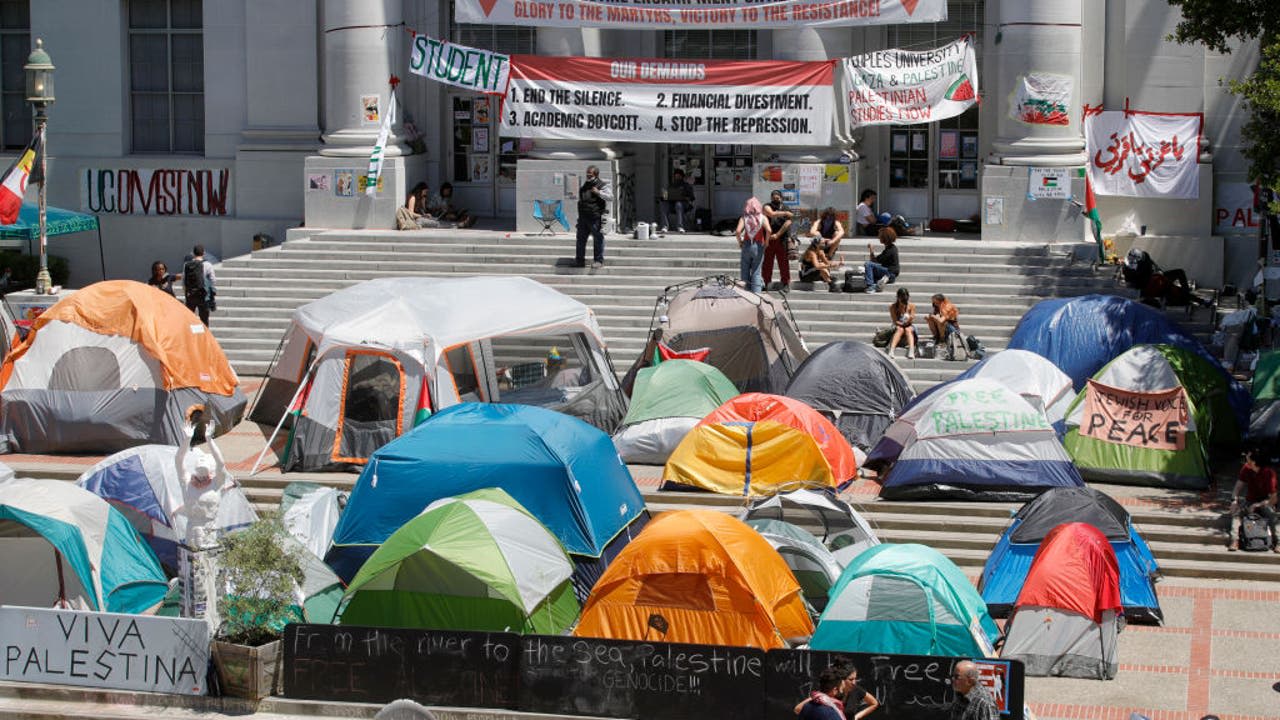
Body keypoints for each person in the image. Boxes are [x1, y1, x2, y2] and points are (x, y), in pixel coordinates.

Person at [174, 407, 231, 634]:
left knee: (211, 577)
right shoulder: (187, 482)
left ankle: (214, 622)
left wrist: (209, 440)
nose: (201, 476)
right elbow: (178, 461)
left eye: (204, 472)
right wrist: (186, 441)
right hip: (191, 532)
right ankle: (190, 620)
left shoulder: (217, 483)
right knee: (190, 578)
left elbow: (222, 462)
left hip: (210, 532)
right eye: (199, 472)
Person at [1228, 445, 1278, 552]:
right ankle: (1234, 540)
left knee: (1273, 516)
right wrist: (1234, 501)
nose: (1246, 458)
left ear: (1254, 462)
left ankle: (1278, 542)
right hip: (1250, 501)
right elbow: (1237, 488)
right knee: (1236, 514)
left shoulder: (1269, 473)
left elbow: (1274, 499)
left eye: (1248, 457)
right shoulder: (1246, 468)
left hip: (1265, 502)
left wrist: (1258, 505)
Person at [575, 165, 612, 269]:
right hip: (583, 217)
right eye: (587, 174)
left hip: (595, 217)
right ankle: (579, 260)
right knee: (580, 239)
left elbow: (610, 197)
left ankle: (598, 260)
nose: (588, 176)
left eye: (590, 174)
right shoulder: (585, 186)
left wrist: (598, 192)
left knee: (598, 239)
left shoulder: (602, 185)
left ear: (596, 175)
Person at [762, 190, 795, 291]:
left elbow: (789, 222)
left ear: (781, 198)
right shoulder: (767, 206)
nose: (776, 199)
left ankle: (785, 283)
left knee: (783, 263)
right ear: (771, 198)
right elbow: (770, 214)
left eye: (778, 198)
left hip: (781, 239)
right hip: (769, 239)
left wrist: (777, 234)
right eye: (774, 198)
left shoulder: (786, 207)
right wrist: (784, 213)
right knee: (767, 263)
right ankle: (766, 283)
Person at [735, 197, 770, 293]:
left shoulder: (744, 218)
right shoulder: (763, 217)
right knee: (756, 272)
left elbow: (738, 231)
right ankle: (756, 295)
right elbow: (769, 230)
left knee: (745, 271)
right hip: (758, 245)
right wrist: (766, 242)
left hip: (746, 245)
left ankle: (745, 294)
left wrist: (740, 242)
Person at [183, 244, 216, 326]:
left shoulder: (187, 265)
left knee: (189, 319)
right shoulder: (208, 264)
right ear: (203, 253)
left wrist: (186, 294)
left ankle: (191, 337)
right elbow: (213, 280)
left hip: (191, 295)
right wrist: (212, 292)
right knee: (204, 319)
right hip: (203, 295)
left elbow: (183, 282)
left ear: (193, 253)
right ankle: (204, 337)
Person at [864, 228, 900, 293]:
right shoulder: (890, 248)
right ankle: (876, 284)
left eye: (880, 236)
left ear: (885, 238)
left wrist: (871, 249)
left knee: (868, 264)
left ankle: (870, 287)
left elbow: (873, 261)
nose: (878, 238)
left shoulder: (890, 250)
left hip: (889, 275)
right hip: (889, 275)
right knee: (867, 274)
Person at [887, 287, 918, 360]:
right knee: (900, 329)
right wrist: (901, 324)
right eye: (902, 300)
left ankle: (911, 350)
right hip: (898, 324)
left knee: (908, 329)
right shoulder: (893, 306)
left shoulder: (911, 306)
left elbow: (912, 318)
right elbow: (895, 320)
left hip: (908, 325)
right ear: (898, 298)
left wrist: (909, 319)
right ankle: (891, 350)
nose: (904, 302)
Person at [661, 169, 696, 233]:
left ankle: (680, 227)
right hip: (672, 204)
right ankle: (665, 226)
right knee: (664, 204)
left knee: (678, 204)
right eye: (676, 176)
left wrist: (685, 197)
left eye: (679, 176)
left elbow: (692, 197)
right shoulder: (671, 185)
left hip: (684, 204)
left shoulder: (686, 185)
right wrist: (664, 196)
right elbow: (665, 196)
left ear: (682, 176)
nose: (677, 178)